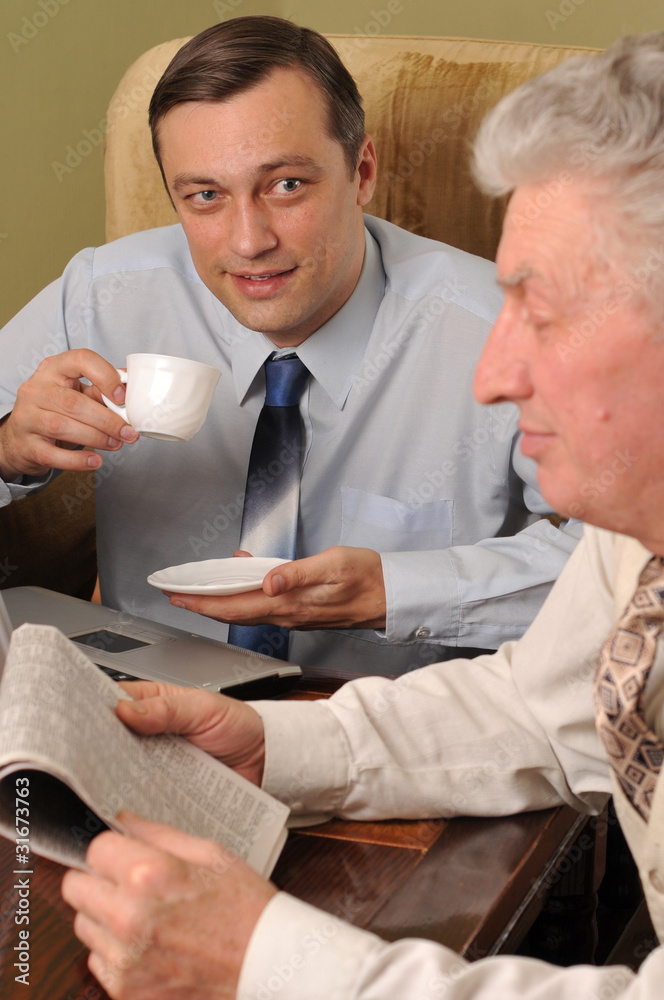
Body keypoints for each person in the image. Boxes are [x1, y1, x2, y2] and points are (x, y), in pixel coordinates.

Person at [60, 30, 664, 999]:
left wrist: (260, 960)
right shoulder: (634, 541)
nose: (491, 375)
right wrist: (275, 748)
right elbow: (540, 713)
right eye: (204, 193)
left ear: (361, 171)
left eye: (541, 314)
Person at [0, 17, 579, 675]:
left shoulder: (505, 330)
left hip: (379, 733)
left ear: (361, 172)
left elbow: (627, 568)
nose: (248, 241)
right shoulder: (103, 293)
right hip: (143, 706)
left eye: (286, 185)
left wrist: (392, 590)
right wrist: (9, 448)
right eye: (206, 196)